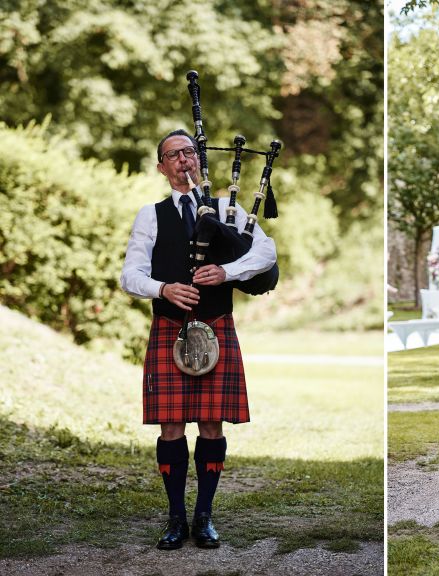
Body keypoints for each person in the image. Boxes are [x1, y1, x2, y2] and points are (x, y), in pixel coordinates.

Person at [120, 129, 277, 549]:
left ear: (199, 159)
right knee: (170, 426)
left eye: (189, 151)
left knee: (211, 422)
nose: (183, 159)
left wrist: (227, 272)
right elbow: (130, 274)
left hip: (217, 324)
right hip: (170, 327)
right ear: (161, 167)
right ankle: (175, 518)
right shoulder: (150, 216)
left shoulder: (226, 208)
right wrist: (163, 288)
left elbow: (266, 252)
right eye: (172, 154)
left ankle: (203, 517)